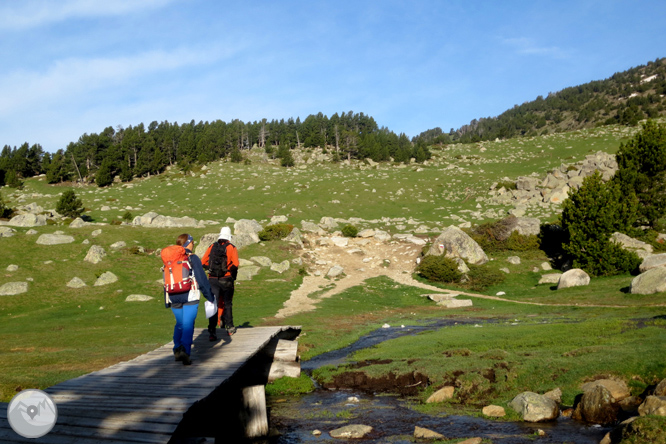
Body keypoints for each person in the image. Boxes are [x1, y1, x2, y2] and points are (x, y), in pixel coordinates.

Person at [162, 233, 214, 365]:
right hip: (190, 295)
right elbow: (201, 279)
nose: (194, 245)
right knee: (188, 324)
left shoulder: (170, 259)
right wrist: (209, 296)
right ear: (188, 243)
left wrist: (167, 300)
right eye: (193, 242)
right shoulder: (192, 257)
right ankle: (185, 351)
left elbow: (166, 278)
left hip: (173, 296)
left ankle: (177, 349)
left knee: (179, 324)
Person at [202, 226, 239, 340]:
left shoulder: (212, 246)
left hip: (212, 279)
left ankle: (212, 331)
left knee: (213, 304)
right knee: (227, 303)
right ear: (229, 237)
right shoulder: (231, 247)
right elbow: (236, 263)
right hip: (226, 279)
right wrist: (227, 271)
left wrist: (212, 269)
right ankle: (230, 327)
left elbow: (203, 262)